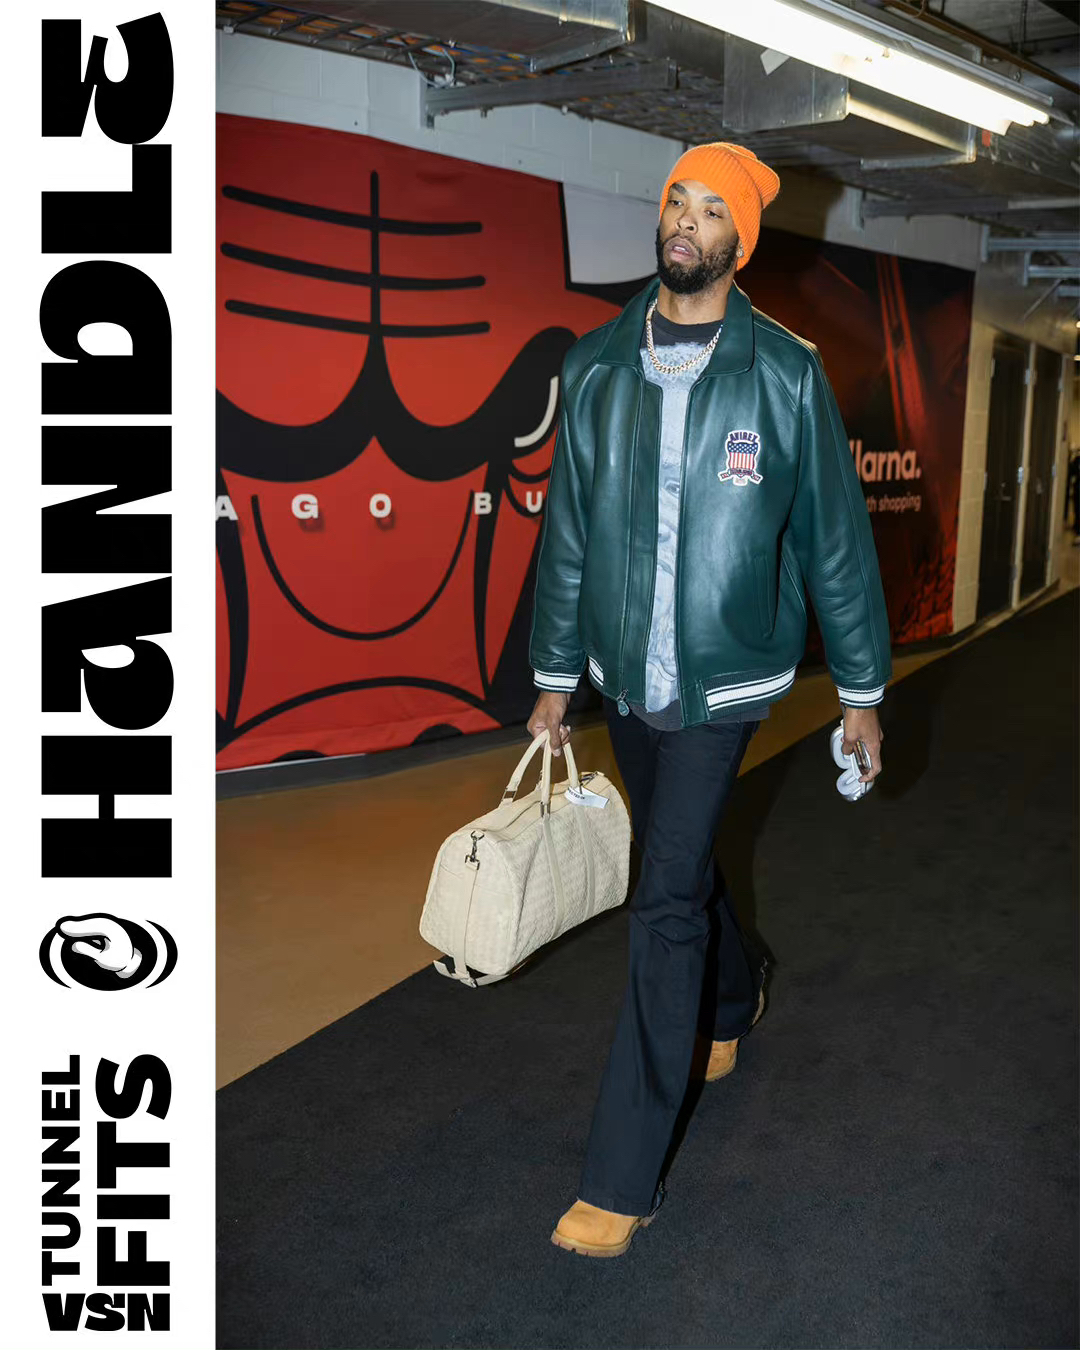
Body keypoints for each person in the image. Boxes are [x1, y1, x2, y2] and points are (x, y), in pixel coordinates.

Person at [526, 142, 891, 1258]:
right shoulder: (597, 365)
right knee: (680, 864)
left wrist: (862, 692)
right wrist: (553, 677)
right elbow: (569, 533)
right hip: (625, 675)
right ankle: (735, 996)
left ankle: (621, 1179)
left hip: (727, 678)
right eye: (676, 202)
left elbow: (834, 541)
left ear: (741, 241)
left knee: (663, 901)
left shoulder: (785, 373)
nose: (685, 222)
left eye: (709, 211)